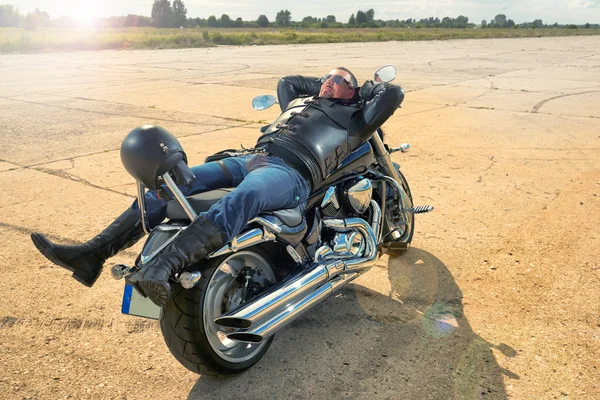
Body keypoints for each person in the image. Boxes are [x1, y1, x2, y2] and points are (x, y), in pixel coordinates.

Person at [31, 67, 404, 307]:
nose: (327, 80)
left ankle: (162, 266)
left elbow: (392, 95)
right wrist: (327, 84)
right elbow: (287, 82)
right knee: (171, 185)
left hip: (292, 173)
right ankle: (92, 254)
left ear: (353, 94)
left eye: (337, 80)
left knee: (246, 198)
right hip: (252, 158)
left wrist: (360, 88)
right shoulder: (302, 102)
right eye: (325, 76)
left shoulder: (357, 120)